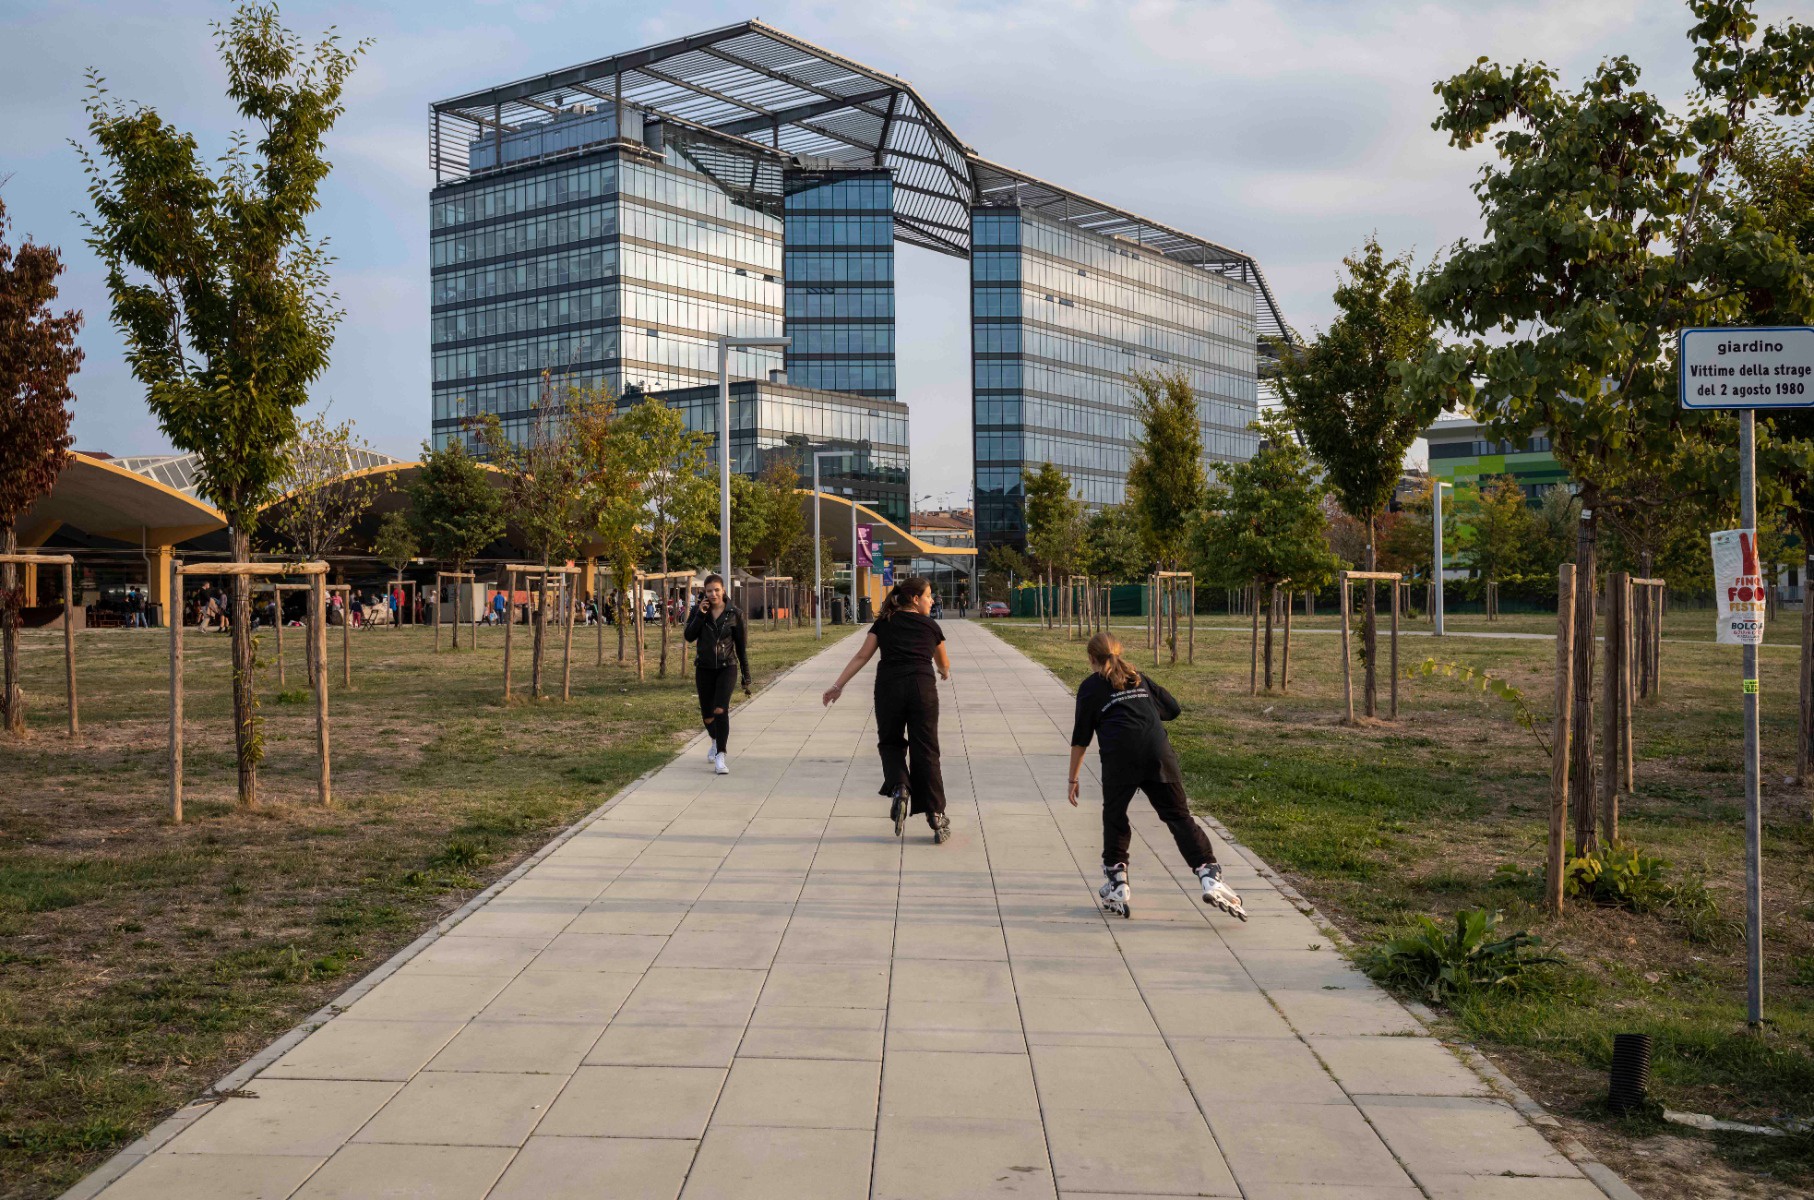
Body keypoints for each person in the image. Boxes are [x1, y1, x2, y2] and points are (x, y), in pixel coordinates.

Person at [1067, 632, 1246, 921]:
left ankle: (1117, 879)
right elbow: (1172, 709)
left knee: (1115, 815)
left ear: (1091, 659)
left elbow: (1081, 738)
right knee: (1178, 816)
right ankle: (1209, 874)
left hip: (1120, 757)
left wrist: (1072, 779)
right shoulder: (1139, 677)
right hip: (1157, 752)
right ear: (1118, 651)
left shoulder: (1090, 687)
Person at [821, 576, 953, 843]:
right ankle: (935, 815)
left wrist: (838, 685)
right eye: (928, 595)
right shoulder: (931, 626)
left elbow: (862, 655)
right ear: (915, 599)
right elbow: (944, 662)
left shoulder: (884, 623)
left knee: (890, 742)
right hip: (921, 689)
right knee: (926, 749)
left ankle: (900, 787)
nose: (931, 600)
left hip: (888, 689)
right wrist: (943, 671)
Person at [684, 573, 749, 776]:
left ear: (724, 591)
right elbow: (688, 636)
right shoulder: (698, 610)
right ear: (705, 592)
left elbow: (741, 648)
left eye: (716, 590)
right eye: (709, 591)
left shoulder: (735, 614)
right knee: (708, 716)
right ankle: (714, 740)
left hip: (727, 666)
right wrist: (700, 615)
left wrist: (746, 677)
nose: (713, 594)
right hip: (704, 668)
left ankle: (721, 755)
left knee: (721, 710)